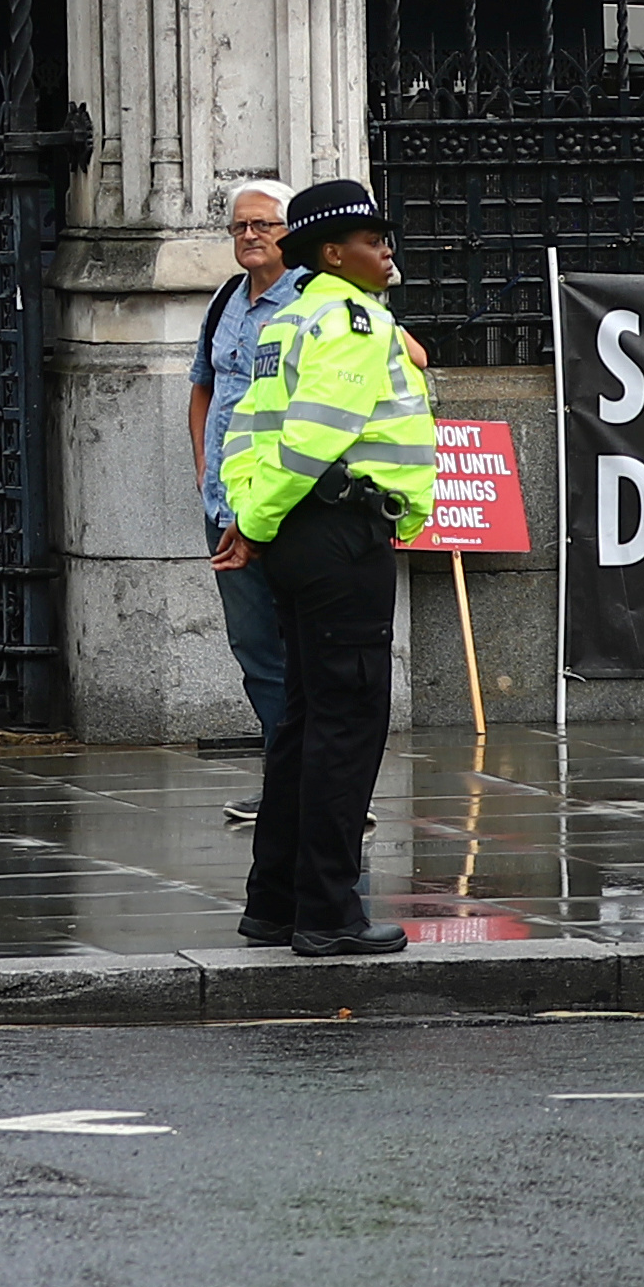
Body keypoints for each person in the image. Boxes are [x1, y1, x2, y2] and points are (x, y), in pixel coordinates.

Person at [214, 178, 440, 955]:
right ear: (330, 252)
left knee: (303, 725)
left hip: (300, 538)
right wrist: (257, 519)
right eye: (370, 238)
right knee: (345, 729)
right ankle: (329, 913)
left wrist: (249, 519)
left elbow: (246, 426)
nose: (386, 248)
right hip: (338, 535)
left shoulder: (290, 319)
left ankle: (274, 901)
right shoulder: (348, 319)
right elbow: (311, 440)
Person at [188, 180, 300, 811]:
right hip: (226, 506)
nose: (250, 236)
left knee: (303, 647)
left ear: (291, 232)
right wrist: (206, 466)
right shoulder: (227, 298)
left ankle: (318, 781)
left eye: (263, 224)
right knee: (255, 647)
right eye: (239, 227)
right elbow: (202, 386)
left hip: (286, 507)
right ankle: (282, 779)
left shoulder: (314, 301)